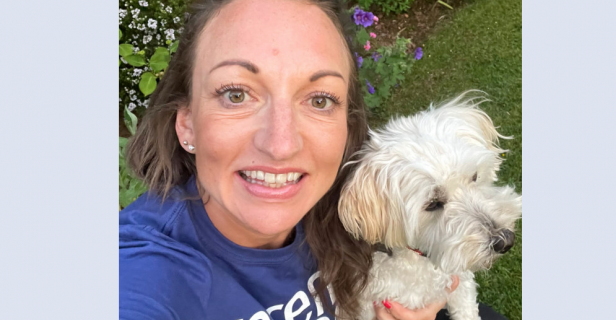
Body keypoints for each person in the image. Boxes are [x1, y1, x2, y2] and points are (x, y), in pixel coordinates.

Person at [119, 0, 507, 319]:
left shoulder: (338, 203)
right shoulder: (147, 272)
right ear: (185, 123)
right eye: (236, 94)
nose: (280, 144)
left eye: (320, 100)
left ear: (346, 122)